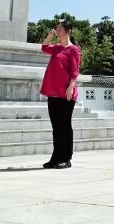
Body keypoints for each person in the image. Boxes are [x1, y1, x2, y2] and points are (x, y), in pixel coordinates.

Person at [40, 19, 81, 169]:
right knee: (56, 128)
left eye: (60, 30)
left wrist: (71, 87)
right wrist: (49, 36)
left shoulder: (74, 49)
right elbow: (44, 48)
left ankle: (66, 158)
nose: (57, 32)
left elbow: (75, 71)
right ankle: (55, 158)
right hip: (53, 93)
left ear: (68, 32)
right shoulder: (56, 47)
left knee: (64, 126)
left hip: (66, 94)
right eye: (56, 29)